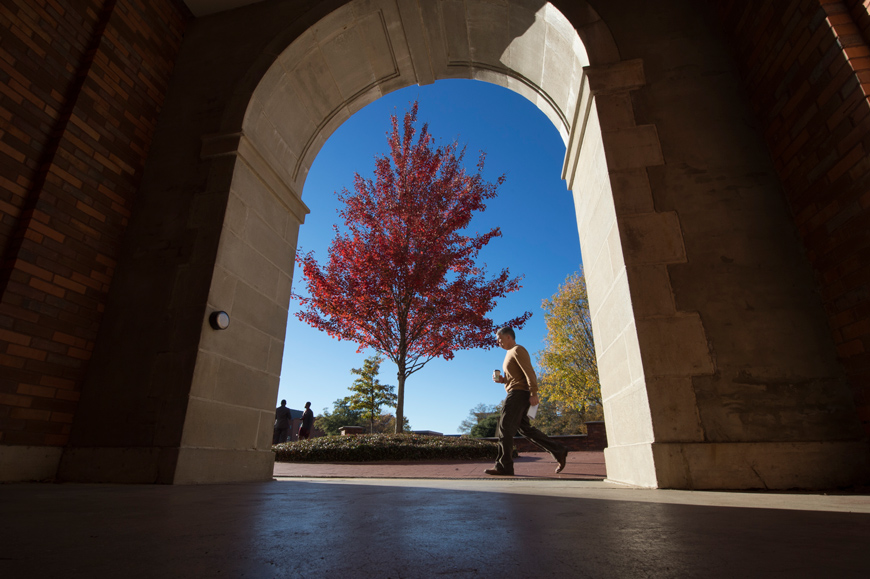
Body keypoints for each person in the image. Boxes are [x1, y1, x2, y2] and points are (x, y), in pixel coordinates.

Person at [486, 327, 568, 476]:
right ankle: (559, 450)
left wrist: (533, 392)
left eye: (499, 339)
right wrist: (504, 381)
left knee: (504, 428)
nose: (498, 342)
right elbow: (516, 377)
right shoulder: (508, 354)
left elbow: (529, 372)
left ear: (509, 337)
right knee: (525, 429)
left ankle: (504, 466)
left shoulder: (517, 350)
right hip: (517, 392)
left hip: (518, 395)